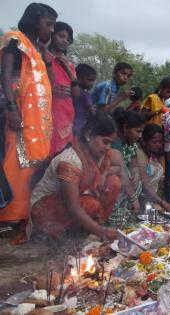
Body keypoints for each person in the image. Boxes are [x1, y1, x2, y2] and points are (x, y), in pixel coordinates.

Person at [0, 3, 57, 230]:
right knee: (16, 160)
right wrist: (12, 108)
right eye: (48, 24)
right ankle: (8, 215)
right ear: (34, 21)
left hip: (38, 122)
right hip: (20, 115)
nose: (52, 30)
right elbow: (6, 74)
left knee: (35, 164)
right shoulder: (16, 40)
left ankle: (25, 213)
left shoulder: (35, 48)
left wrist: (44, 48)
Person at [30, 114, 121, 240]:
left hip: (70, 204)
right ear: (89, 136)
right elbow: (72, 207)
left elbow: (119, 167)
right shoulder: (69, 161)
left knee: (113, 182)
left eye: (110, 143)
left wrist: (105, 174)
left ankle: (91, 229)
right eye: (105, 142)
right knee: (91, 204)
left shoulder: (97, 155)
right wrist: (100, 231)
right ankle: (77, 233)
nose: (108, 148)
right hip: (43, 212)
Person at [108, 108, 144, 226]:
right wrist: (134, 199)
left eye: (141, 132)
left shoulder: (132, 144)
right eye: (137, 131)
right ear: (125, 128)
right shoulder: (116, 142)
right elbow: (121, 171)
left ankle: (126, 212)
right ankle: (112, 217)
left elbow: (134, 165)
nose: (140, 135)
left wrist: (136, 174)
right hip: (109, 182)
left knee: (137, 178)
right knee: (126, 175)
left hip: (124, 183)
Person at [48, 21, 79, 156]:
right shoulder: (41, 58)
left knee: (60, 156)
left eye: (68, 39)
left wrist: (66, 66)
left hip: (65, 114)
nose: (65, 41)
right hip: (47, 112)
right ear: (52, 35)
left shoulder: (70, 66)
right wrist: (51, 91)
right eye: (61, 36)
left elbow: (76, 94)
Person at [138, 124, 170, 214]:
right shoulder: (139, 154)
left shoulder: (155, 154)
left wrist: (165, 204)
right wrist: (165, 204)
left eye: (161, 142)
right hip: (139, 198)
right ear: (144, 141)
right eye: (154, 142)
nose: (159, 145)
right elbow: (145, 185)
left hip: (152, 198)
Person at [73, 64, 97, 136]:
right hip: (80, 127)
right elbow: (93, 113)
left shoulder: (72, 91)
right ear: (79, 78)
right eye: (90, 80)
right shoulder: (85, 95)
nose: (92, 84)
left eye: (93, 81)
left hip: (71, 124)